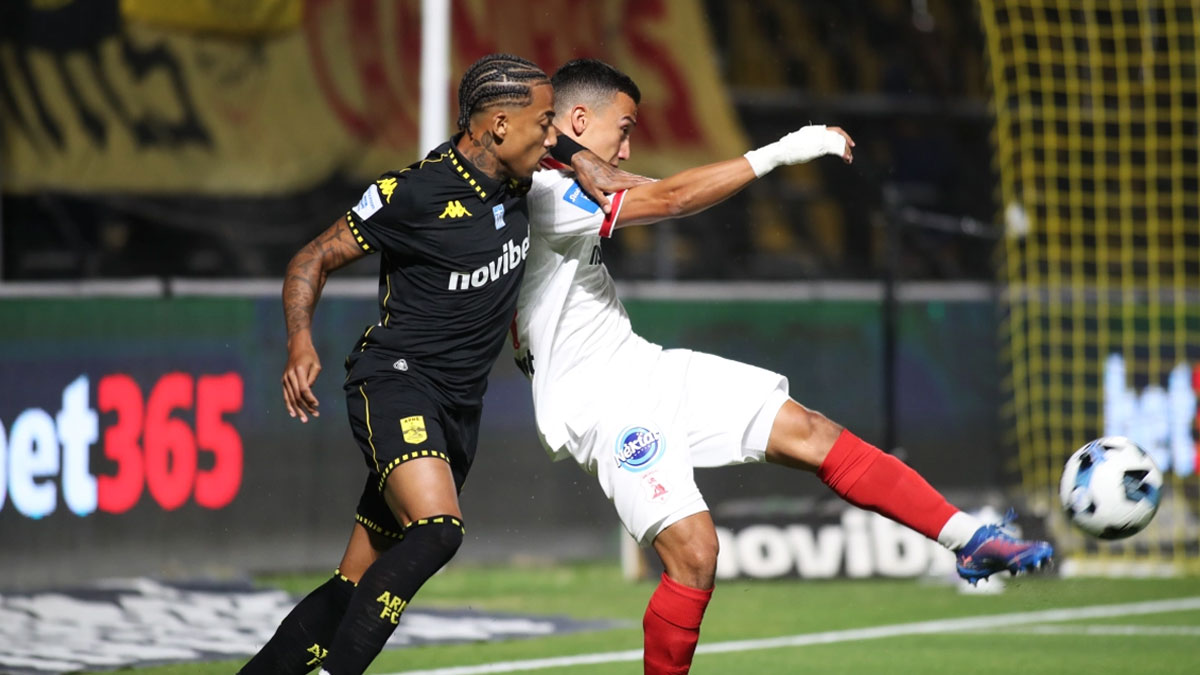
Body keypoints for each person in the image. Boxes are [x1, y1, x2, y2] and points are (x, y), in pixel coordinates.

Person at [514, 58, 1054, 674]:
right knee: (694, 554)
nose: (628, 146)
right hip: (602, 405)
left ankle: (969, 540)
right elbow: (672, 198)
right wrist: (782, 151)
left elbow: (656, 187)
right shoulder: (547, 194)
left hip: (643, 368)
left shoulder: (565, 179)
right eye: (625, 128)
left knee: (811, 431)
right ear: (578, 119)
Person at [239, 53, 639, 675]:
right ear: (499, 125)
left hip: (458, 410)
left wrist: (581, 158)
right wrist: (299, 341)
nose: (553, 137)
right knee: (438, 530)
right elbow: (311, 258)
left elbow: (565, 153)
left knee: (352, 586)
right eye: (545, 124)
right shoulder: (414, 192)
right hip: (396, 384)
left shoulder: (520, 179)